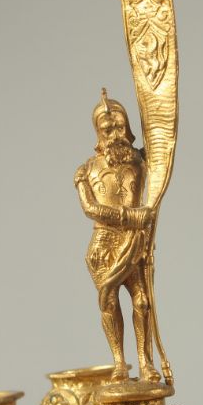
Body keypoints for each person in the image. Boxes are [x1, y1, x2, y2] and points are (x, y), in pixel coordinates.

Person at [74, 88, 161, 383]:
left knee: (142, 301)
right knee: (109, 300)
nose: (114, 134)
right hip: (104, 245)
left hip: (135, 242)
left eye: (119, 127)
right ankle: (119, 363)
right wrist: (132, 217)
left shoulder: (142, 161)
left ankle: (146, 362)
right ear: (98, 133)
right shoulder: (86, 170)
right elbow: (91, 209)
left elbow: (163, 147)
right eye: (107, 129)